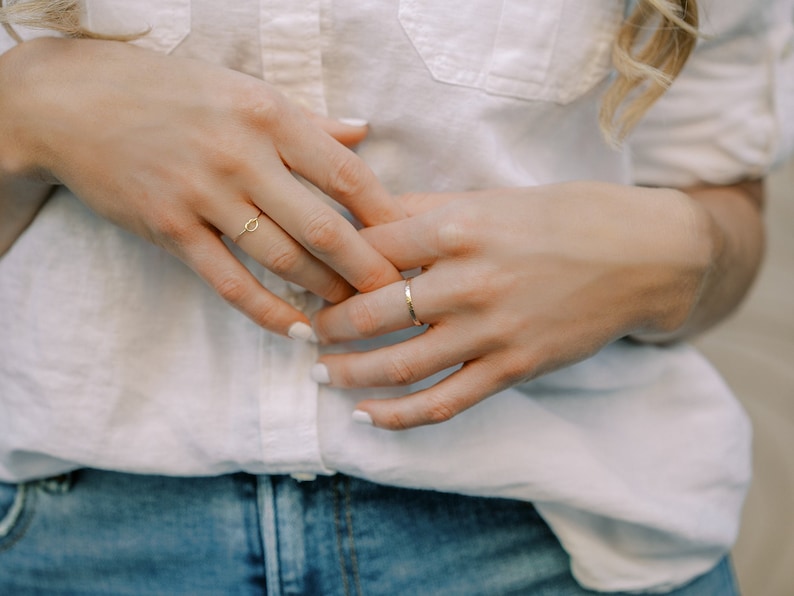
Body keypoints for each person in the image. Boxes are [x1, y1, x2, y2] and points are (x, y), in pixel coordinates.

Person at [0, 0, 791, 593]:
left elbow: (721, 209)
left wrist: (678, 249)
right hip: (64, 538)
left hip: (557, 536)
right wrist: (23, 108)